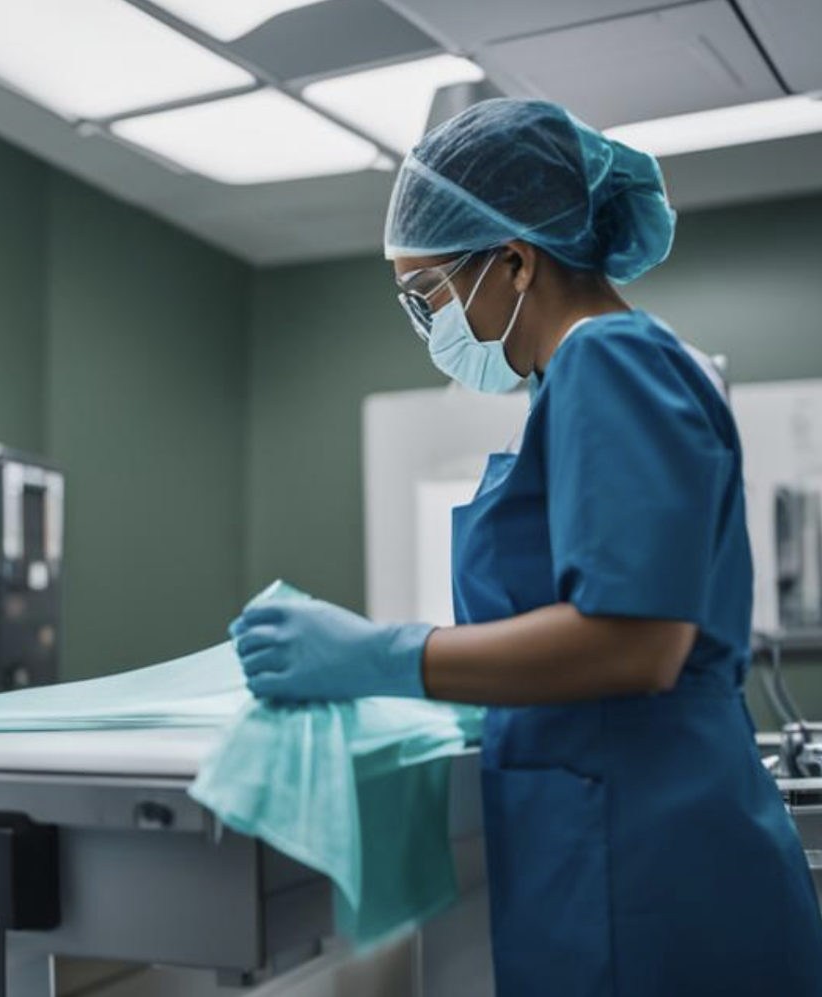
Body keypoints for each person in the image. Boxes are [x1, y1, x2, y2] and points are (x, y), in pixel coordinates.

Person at [230, 98, 822, 995]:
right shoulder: (581, 381)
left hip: (657, 870)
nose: (427, 324)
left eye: (426, 292)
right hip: (608, 849)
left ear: (512, 261)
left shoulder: (608, 359)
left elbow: (636, 638)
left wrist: (380, 655)